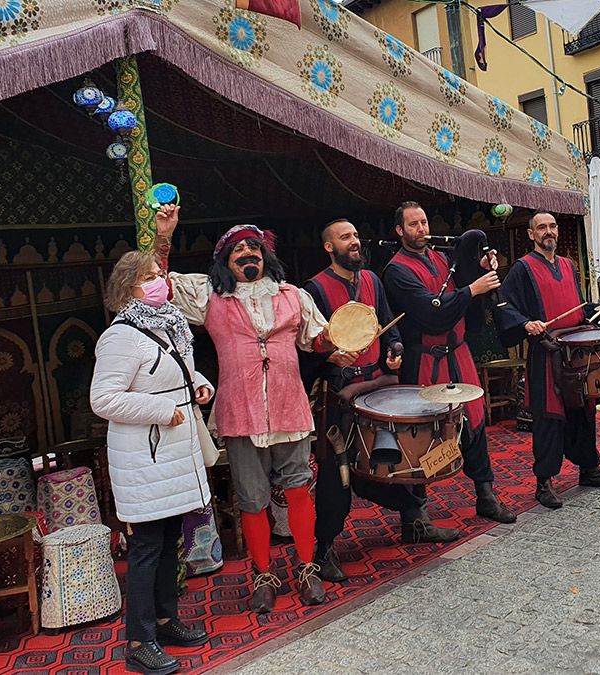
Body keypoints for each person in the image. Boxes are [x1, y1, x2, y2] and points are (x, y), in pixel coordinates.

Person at [156, 206, 333, 614]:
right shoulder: (210, 297)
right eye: (237, 250)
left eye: (254, 247)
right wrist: (164, 238)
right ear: (224, 261)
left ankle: (307, 569)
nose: (247, 253)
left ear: (265, 256)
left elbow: (318, 340)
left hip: (290, 407)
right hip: (239, 411)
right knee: (251, 499)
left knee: (297, 488)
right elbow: (161, 286)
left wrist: (343, 341)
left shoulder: (294, 297)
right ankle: (263, 575)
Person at [302, 219, 461, 582]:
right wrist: (327, 359)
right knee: (336, 475)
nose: (355, 241)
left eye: (356, 235)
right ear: (329, 247)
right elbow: (307, 345)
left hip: (379, 386)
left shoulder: (372, 280)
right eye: (346, 238)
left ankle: (415, 522)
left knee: (407, 455)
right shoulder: (314, 290)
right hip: (340, 396)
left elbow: (390, 325)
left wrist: (395, 349)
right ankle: (324, 549)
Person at [91, 250, 212, 675]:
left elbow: (173, 374)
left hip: (173, 452)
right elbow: (103, 398)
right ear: (128, 289)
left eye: (159, 273)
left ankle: (165, 620)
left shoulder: (168, 326)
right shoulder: (121, 335)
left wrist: (199, 383)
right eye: (149, 276)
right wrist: (161, 411)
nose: (160, 280)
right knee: (145, 547)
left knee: (168, 543)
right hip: (146, 455)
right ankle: (139, 640)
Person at [382, 201, 516, 524]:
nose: (422, 229)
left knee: (475, 422)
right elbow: (433, 312)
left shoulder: (440, 257)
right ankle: (417, 517)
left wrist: (482, 266)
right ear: (399, 230)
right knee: (421, 436)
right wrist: (473, 288)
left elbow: (462, 288)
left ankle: (485, 495)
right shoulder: (396, 271)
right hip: (425, 361)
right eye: (413, 224)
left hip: (458, 354)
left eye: (424, 222)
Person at [498, 211, 600, 509]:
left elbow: (578, 309)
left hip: (578, 354)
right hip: (548, 353)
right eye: (541, 227)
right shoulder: (522, 269)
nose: (549, 232)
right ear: (531, 234)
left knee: (585, 411)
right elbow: (506, 307)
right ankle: (544, 482)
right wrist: (524, 324)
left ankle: (589, 469)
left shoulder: (568, 265)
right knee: (549, 418)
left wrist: (599, 309)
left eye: (552, 226)